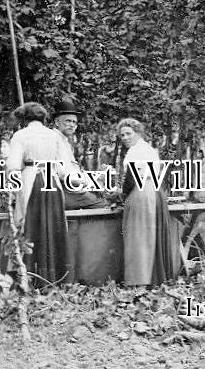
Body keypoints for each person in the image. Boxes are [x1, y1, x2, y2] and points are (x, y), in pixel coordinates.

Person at [6, 102, 71, 284]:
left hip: (30, 179)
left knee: (28, 223)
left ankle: (28, 275)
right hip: (52, 180)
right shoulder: (53, 136)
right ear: (43, 118)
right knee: (52, 224)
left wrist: (12, 187)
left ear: (24, 119)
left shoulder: (20, 135)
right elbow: (63, 168)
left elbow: (13, 166)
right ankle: (54, 274)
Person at [117, 118, 182, 286]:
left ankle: (139, 279)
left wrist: (122, 195)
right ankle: (151, 277)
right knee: (149, 235)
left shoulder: (136, 151)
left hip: (143, 192)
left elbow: (132, 177)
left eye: (128, 133)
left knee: (139, 235)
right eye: (122, 134)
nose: (125, 137)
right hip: (154, 192)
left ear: (138, 133)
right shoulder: (148, 149)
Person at [52, 99, 107, 210]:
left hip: (70, 189)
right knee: (104, 204)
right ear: (57, 122)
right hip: (63, 191)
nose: (72, 125)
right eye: (68, 121)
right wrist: (88, 183)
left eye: (74, 122)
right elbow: (64, 175)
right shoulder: (54, 140)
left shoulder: (64, 141)